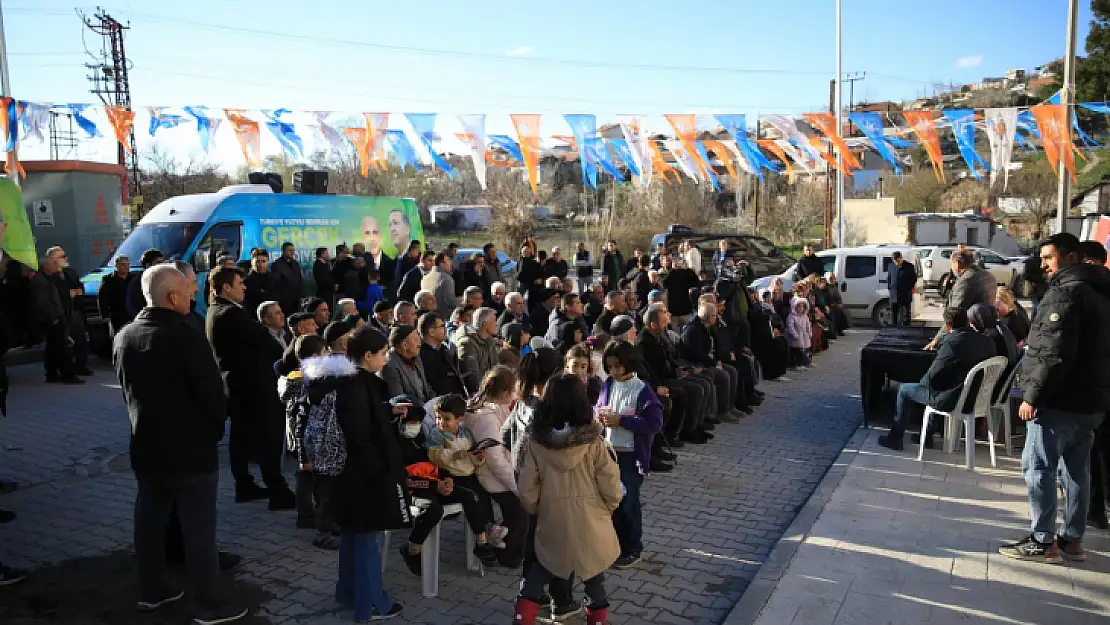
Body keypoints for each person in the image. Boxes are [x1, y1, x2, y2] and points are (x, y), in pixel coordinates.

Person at [112, 264, 249, 625]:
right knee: (199, 530)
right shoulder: (185, 336)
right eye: (190, 289)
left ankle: (154, 590)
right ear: (172, 296)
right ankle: (210, 605)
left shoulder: (125, 335)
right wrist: (215, 430)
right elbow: (211, 396)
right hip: (190, 452)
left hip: (146, 446)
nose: (194, 294)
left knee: (150, 522)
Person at [999, 233, 1110, 564]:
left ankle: (1042, 540)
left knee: (1038, 467)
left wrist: (1031, 396)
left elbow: (1052, 352)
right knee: (1077, 471)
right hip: (1092, 402)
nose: (1044, 264)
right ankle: (1072, 540)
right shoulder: (1101, 292)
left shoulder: (1067, 293)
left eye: (1049, 258)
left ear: (1070, 257)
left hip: (1060, 402)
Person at [315, 324, 409, 621]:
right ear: (367, 355)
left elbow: (362, 417)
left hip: (350, 474)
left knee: (353, 534)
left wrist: (385, 410)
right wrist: (379, 470)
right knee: (367, 536)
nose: (386, 358)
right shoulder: (355, 384)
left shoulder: (350, 378)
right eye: (383, 353)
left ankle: (348, 592)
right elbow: (359, 434)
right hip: (361, 476)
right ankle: (371, 602)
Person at [513, 373, 623, 625]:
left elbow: (526, 487)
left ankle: (523, 617)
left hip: (552, 516)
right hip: (591, 516)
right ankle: (597, 619)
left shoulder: (536, 442)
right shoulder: (594, 441)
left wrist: (537, 508)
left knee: (542, 566)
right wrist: (609, 506)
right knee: (594, 572)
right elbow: (610, 481)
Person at [206, 266, 295, 508]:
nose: (244, 287)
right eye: (239, 283)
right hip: (252, 388)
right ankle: (277, 490)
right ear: (226, 287)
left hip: (238, 386)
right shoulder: (230, 313)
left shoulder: (218, 310)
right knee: (268, 438)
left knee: (241, 438)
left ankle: (244, 484)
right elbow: (263, 339)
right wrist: (290, 354)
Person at [878, 307, 997, 452]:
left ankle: (895, 439)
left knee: (905, 390)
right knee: (943, 387)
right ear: (967, 322)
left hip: (954, 399)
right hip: (976, 398)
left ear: (947, 326)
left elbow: (931, 379)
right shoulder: (986, 341)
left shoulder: (952, 344)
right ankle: (926, 435)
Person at [597, 340, 663, 571]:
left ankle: (633, 548)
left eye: (618, 366)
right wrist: (600, 416)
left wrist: (621, 420)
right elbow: (599, 407)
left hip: (631, 456)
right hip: (608, 453)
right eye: (610, 366)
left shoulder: (642, 390)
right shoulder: (607, 385)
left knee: (628, 503)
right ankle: (615, 546)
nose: (614, 371)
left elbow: (654, 423)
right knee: (611, 503)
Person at [424, 394, 500, 565]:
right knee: (471, 498)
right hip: (451, 478)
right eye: (438, 418)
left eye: (446, 419)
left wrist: (478, 456)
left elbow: (471, 459)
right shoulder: (437, 435)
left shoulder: (466, 434)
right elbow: (434, 457)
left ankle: (489, 529)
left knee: (484, 496)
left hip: (468, 475)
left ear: (459, 419)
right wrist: (454, 455)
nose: (441, 422)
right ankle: (481, 541)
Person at [464, 366, 528, 567]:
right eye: (514, 390)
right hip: (490, 477)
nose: (516, 394)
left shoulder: (491, 406)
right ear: (503, 393)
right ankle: (508, 555)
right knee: (521, 510)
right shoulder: (487, 419)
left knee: (520, 510)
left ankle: (509, 547)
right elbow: (495, 461)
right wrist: (517, 486)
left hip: (497, 471)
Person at [925, 250, 998, 350]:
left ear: (958, 264)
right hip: (988, 333)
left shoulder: (966, 280)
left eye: (951, 264)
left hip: (969, 336)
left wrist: (937, 340)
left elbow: (954, 314)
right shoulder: (988, 275)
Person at [30, 246, 81, 384]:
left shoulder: (61, 275)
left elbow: (72, 291)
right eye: (62, 257)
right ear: (52, 260)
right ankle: (67, 375)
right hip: (54, 319)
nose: (65, 259)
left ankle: (52, 373)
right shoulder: (41, 278)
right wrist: (54, 319)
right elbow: (43, 302)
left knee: (54, 347)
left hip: (62, 316)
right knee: (63, 347)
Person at [381, 324, 435, 406]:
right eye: (416, 340)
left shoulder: (416, 358)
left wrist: (435, 403)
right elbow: (400, 400)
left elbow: (427, 388)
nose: (420, 343)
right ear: (404, 345)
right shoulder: (390, 366)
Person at [418, 312, 469, 397]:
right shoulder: (421, 354)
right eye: (442, 326)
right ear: (431, 332)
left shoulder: (444, 349)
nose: (445, 329)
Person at [457, 307, 501, 388]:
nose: (496, 324)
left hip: (492, 390)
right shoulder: (467, 344)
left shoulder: (490, 341)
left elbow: (496, 368)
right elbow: (472, 378)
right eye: (494, 321)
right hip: (479, 394)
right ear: (485, 324)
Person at [99, 255, 134, 337]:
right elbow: (102, 298)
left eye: (127, 264)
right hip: (116, 315)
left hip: (132, 314)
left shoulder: (133, 279)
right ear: (116, 266)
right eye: (123, 264)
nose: (126, 267)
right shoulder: (108, 280)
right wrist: (105, 316)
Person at [126, 248, 164, 318]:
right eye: (158, 263)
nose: (162, 265)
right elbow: (132, 308)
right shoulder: (137, 283)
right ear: (148, 265)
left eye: (163, 262)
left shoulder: (162, 279)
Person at [421, 252, 459, 319]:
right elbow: (450, 302)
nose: (450, 263)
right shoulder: (446, 278)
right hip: (445, 317)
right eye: (448, 261)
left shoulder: (425, 278)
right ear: (441, 263)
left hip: (429, 316)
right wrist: (462, 300)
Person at [271, 242, 304, 317]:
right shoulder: (277, 265)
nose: (292, 252)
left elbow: (299, 280)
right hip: (285, 302)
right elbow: (276, 284)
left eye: (293, 250)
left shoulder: (295, 263)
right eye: (290, 250)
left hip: (296, 300)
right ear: (283, 251)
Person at [886, 251, 917, 326]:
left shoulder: (909, 266)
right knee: (894, 314)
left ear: (901, 258)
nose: (896, 262)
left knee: (906, 314)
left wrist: (908, 288)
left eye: (897, 260)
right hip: (894, 294)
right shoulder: (891, 266)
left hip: (905, 294)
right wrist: (890, 288)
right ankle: (894, 328)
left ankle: (906, 329)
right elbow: (889, 278)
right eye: (894, 260)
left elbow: (913, 279)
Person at [785, 297, 813, 369]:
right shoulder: (791, 316)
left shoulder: (805, 316)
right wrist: (795, 335)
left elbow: (808, 325)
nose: (801, 308)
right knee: (796, 351)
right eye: (799, 306)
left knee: (803, 350)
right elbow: (790, 326)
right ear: (795, 307)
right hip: (796, 338)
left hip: (804, 336)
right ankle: (795, 364)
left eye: (803, 307)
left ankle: (802, 363)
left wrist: (809, 332)